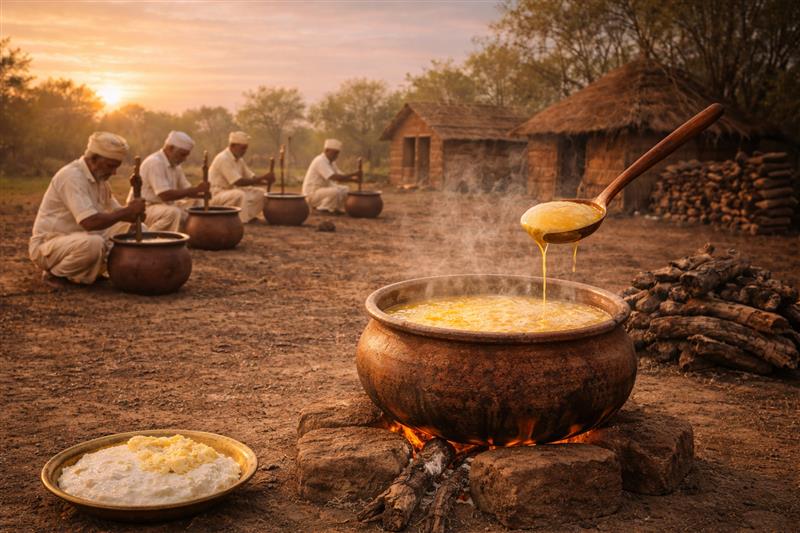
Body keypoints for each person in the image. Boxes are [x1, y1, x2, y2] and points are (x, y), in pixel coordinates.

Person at [29, 132, 146, 287]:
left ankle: (100, 271)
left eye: (116, 167)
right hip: (51, 245)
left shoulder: (100, 181)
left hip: (83, 237)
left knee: (139, 229)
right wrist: (127, 211)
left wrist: (136, 192)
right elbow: (89, 222)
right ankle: (55, 273)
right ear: (93, 159)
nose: (114, 172)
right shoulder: (71, 176)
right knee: (93, 244)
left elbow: (128, 217)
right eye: (111, 166)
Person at [128, 131, 209, 232]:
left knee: (196, 202)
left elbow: (187, 189)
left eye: (186, 155)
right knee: (173, 213)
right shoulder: (155, 162)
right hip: (145, 208)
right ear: (170, 149)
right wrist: (194, 190)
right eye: (182, 155)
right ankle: (151, 239)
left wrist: (201, 193)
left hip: (165, 205)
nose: (184, 159)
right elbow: (165, 195)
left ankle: (197, 234)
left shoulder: (175, 165)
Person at [208, 131, 275, 222]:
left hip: (232, 191)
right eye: (242, 148)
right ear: (232, 146)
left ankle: (247, 217)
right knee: (239, 195)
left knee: (262, 193)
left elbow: (252, 178)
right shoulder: (223, 158)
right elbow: (238, 182)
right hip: (218, 195)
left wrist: (266, 180)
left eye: (246, 148)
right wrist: (262, 177)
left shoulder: (239, 160)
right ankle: (239, 221)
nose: (244, 151)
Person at [302, 139, 362, 213]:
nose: (336, 156)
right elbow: (334, 177)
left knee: (345, 190)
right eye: (334, 153)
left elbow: (340, 177)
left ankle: (335, 208)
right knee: (335, 192)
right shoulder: (320, 161)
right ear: (326, 150)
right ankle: (323, 208)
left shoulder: (331, 162)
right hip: (312, 194)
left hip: (322, 191)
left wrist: (354, 180)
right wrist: (354, 174)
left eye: (337, 153)